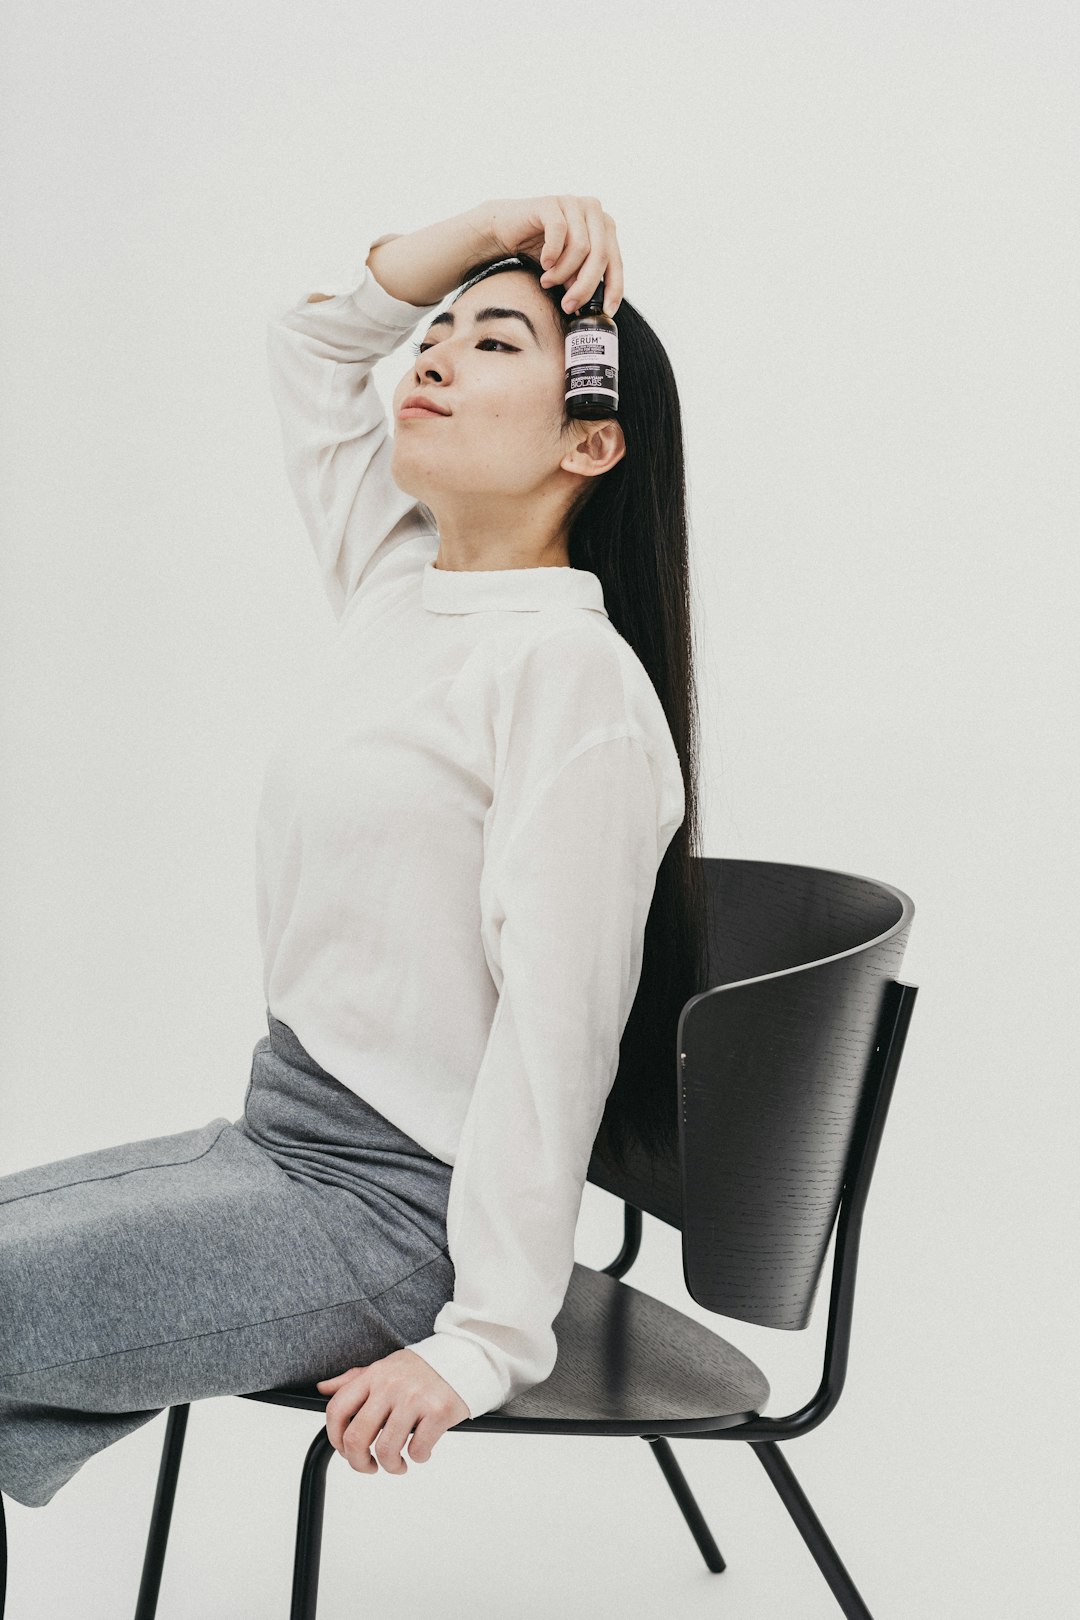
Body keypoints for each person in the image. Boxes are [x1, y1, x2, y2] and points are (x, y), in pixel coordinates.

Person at [0, 194, 709, 1564]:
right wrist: (498, 230)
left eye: (493, 343)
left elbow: (556, 1034)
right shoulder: (405, 589)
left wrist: (487, 1343)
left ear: (592, 440)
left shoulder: (568, 680)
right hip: (274, 1146)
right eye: (436, 333)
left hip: (394, 1220)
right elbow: (316, 346)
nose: (430, 356)